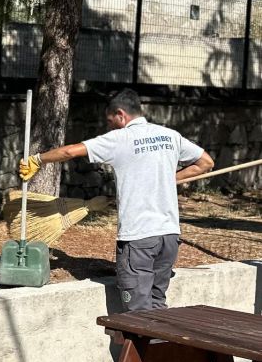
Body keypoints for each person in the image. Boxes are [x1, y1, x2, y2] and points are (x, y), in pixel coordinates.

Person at [18, 88, 214, 312]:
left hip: (139, 238)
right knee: (158, 307)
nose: (109, 126)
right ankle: (161, 346)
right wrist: (167, 179)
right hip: (169, 238)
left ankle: (144, 346)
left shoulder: (120, 139)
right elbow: (206, 163)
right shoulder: (170, 136)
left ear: (121, 115)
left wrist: (37, 159)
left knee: (139, 316)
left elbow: (70, 152)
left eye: (110, 121)